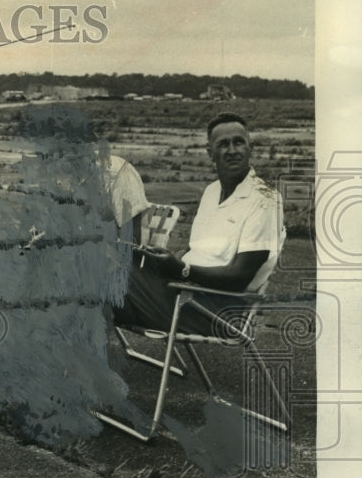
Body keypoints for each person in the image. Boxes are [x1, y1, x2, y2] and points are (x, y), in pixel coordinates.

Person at [112, 111, 284, 335]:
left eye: (239, 142)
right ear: (210, 153)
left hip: (213, 312)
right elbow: (197, 252)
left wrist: (181, 269)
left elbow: (241, 277)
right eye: (223, 144)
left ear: (250, 147)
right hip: (180, 294)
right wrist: (164, 263)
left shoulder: (265, 199)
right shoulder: (212, 192)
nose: (232, 151)